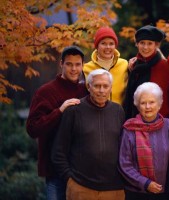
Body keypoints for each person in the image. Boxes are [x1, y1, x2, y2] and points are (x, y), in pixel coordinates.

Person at [51, 69, 125, 200]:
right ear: (88, 87)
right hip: (81, 187)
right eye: (97, 86)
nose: (101, 90)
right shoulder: (74, 111)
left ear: (110, 88)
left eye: (105, 86)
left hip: (114, 189)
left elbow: (125, 148)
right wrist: (70, 180)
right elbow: (58, 150)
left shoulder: (118, 111)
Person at [26, 46, 89, 200]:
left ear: (82, 65)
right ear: (61, 64)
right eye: (69, 64)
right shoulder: (45, 92)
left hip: (81, 170)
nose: (73, 69)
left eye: (77, 64)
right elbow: (32, 128)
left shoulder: (86, 90)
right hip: (54, 170)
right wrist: (59, 111)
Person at [119, 82, 169, 200]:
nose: (148, 107)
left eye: (152, 102)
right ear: (137, 106)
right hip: (137, 193)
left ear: (159, 104)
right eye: (143, 103)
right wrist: (146, 183)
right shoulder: (129, 129)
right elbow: (124, 164)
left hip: (165, 192)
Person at [124, 25, 169, 120]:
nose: (145, 47)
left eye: (150, 43)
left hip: (160, 122)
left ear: (156, 45)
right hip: (136, 121)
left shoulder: (165, 66)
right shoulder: (134, 66)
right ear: (137, 44)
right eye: (142, 43)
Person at [83, 26, 128, 105]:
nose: (108, 47)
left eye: (111, 44)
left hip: (120, 114)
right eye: (103, 43)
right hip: (95, 114)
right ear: (97, 46)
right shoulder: (86, 68)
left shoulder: (125, 65)